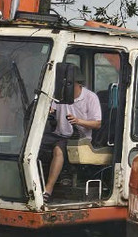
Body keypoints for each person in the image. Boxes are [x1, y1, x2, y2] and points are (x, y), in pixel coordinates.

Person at [41, 67, 102, 203]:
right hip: (58, 133)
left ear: (78, 84)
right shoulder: (60, 94)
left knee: (58, 149)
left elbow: (97, 124)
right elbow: (52, 109)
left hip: (79, 137)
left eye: (69, 84)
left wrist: (78, 121)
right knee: (33, 144)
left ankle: (47, 191)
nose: (65, 87)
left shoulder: (91, 97)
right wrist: (48, 110)